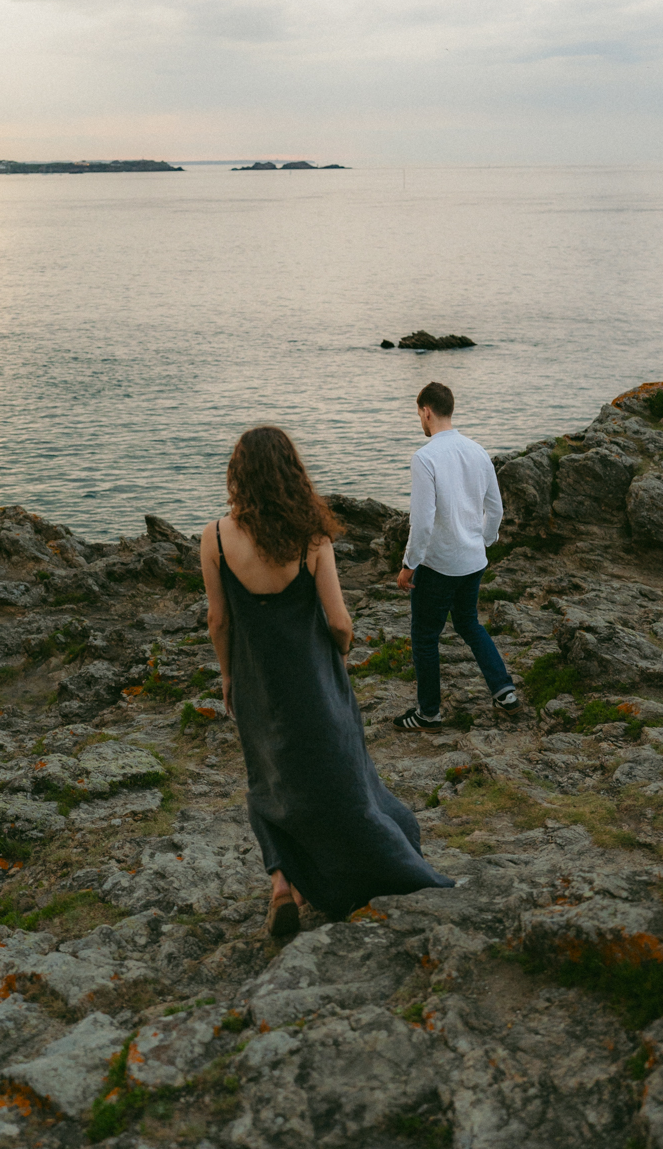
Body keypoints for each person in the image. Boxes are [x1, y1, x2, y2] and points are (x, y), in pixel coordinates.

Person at [201, 425, 455, 936]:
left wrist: (228, 676)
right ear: (291, 473)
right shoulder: (311, 536)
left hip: (255, 683)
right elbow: (338, 621)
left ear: (238, 475)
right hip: (315, 681)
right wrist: (338, 655)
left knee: (267, 783)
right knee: (345, 782)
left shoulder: (215, 538)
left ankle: (281, 885)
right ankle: (371, 863)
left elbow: (219, 621)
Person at [393, 382, 519, 732]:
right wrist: (484, 540)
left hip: (439, 565)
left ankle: (428, 713)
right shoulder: (477, 451)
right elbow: (494, 508)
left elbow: (421, 522)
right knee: (468, 623)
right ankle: (504, 690)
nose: (420, 419)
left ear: (427, 411)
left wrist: (408, 565)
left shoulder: (425, 457)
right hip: (473, 561)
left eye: (419, 413)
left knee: (425, 636)